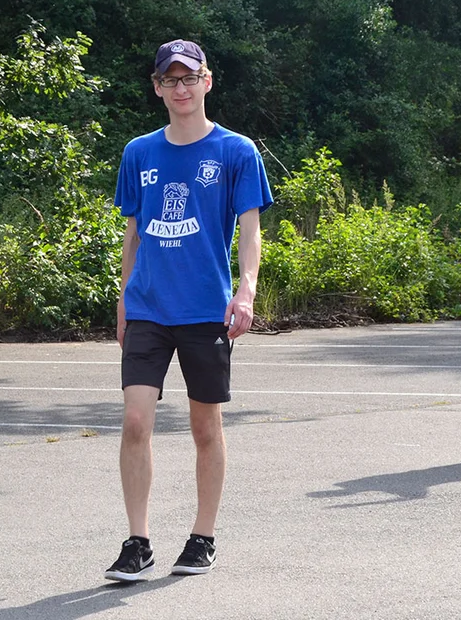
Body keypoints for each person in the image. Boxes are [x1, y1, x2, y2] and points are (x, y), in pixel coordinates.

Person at [103, 39, 273, 581]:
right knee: (134, 422)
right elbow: (132, 233)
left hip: (205, 309)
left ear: (207, 81)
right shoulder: (139, 152)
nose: (180, 88)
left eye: (188, 78)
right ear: (157, 87)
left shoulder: (236, 151)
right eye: (169, 80)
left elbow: (250, 232)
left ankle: (203, 536)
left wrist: (245, 291)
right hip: (148, 307)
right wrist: (124, 297)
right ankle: (137, 542)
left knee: (205, 427)